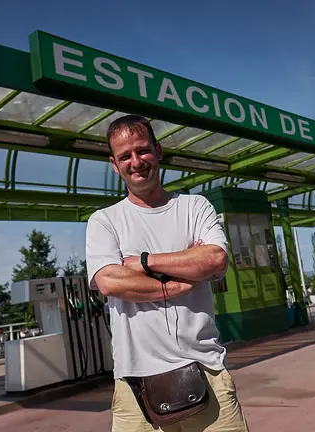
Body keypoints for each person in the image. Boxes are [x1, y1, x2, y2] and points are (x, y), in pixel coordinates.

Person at [85, 115, 249, 431]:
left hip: (207, 372)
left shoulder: (195, 207)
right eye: (124, 156)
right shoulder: (104, 221)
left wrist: (145, 262)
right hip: (135, 384)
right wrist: (177, 283)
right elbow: (109, 280)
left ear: (158, 151)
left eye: (142, 150)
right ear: (114, 164)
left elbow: (215, 259)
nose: (136, 162)